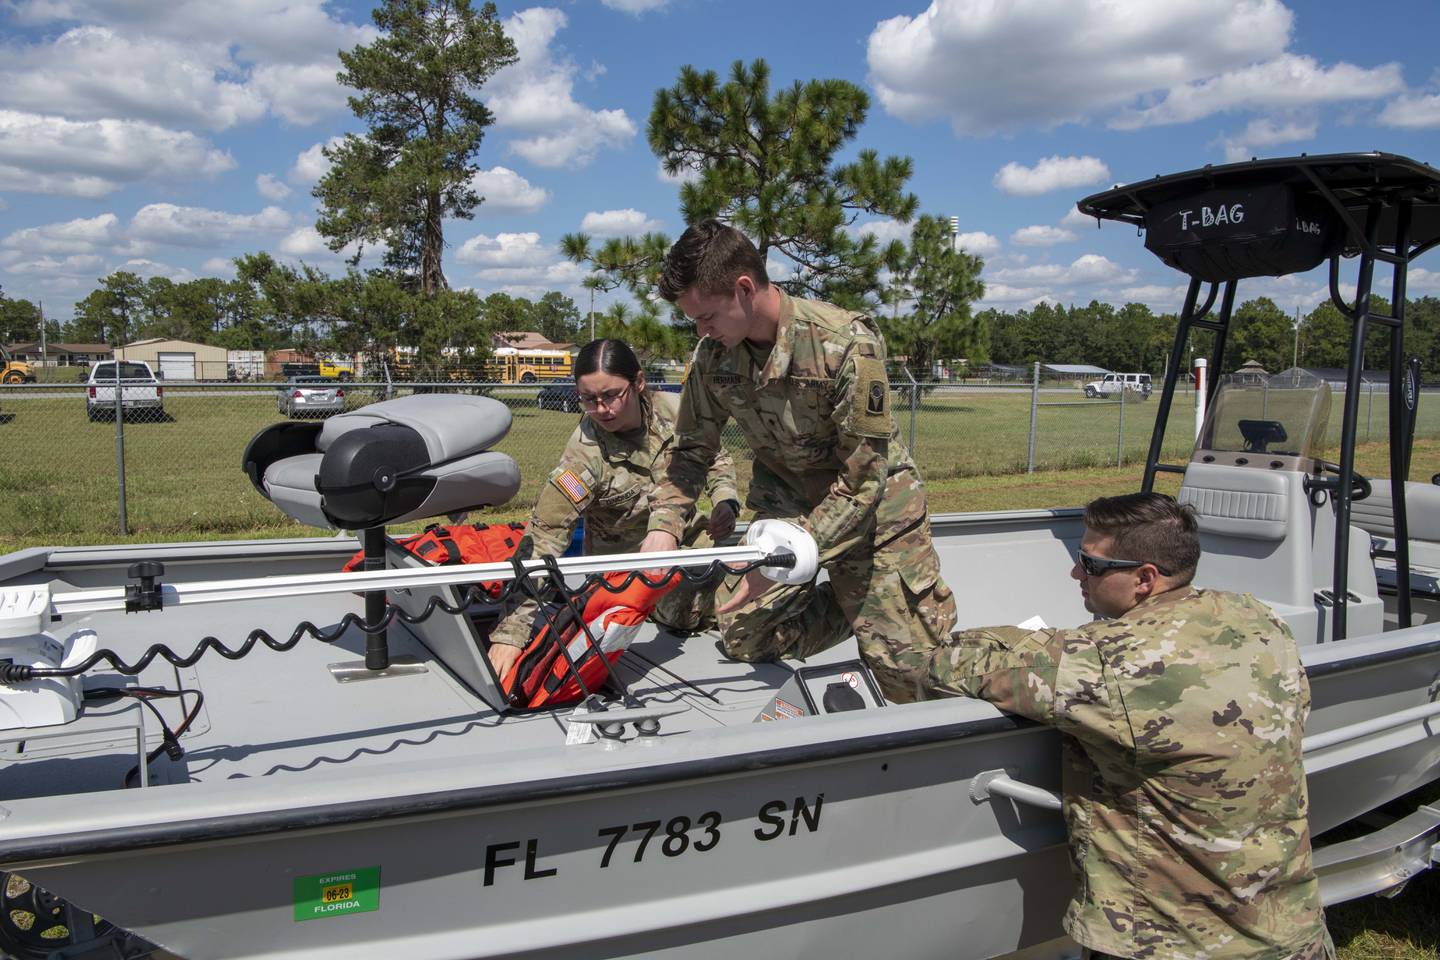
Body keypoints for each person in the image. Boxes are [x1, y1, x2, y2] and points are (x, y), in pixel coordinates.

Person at [922, 493, 1331, 960]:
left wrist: (1025, 639)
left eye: (1089, 564)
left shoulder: (1109, 663)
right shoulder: (1259, 620)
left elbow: (942, 663)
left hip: (1172, 946)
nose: (1076, 574)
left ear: (1144, 578)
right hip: (1292, 931)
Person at [639, 219, 956, 704]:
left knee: (908, 676)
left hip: (874, 518)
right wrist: (663, 527)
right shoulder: (713, 357)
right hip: (786, 511)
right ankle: (854, 607)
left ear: (744, 289)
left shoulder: (844, 343)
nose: (700, 330)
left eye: (706, 317)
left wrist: (791, 558)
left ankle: (882, 607)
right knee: (744, 636)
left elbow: (863, 480)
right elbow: (690, 451)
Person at [487, 339, 740, 676]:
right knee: (706, 609)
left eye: (610, 396)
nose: (601, 409)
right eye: (588, 399)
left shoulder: (677, 413)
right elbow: (545, 535)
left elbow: (714, 455)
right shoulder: (584, 454)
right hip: (626, 580)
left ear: (638, 383)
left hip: (687, 544)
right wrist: (511, 632)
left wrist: (725, 497)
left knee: (752, 569)